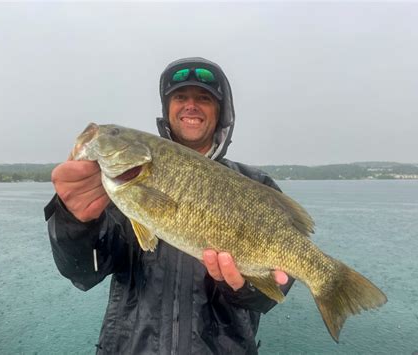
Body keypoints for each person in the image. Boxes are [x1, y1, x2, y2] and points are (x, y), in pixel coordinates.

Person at [44, 57, 294, 354]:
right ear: (168, 110)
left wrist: (245, 286)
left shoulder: (257, 184)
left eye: (203, 98)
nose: (191, 105)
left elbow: (274, 290)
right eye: (180, 97)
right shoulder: (119, 191)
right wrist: (75, 224)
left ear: (220, 113)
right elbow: (83, 273)